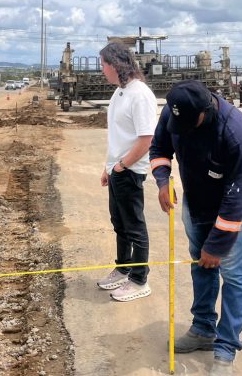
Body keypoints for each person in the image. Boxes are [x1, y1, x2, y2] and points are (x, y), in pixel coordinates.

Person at [149, 80, 242, 375]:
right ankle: (203, 329)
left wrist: (217, 244)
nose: (183, 128)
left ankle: (225, 349)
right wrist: (163, 180)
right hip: (197, 200)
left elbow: (237, 198)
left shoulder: (238, 133)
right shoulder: (176, 112)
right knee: (200, 265)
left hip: (235, 207)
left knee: (234, 274)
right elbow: (159, 147)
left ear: (205, 110)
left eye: (190, 124)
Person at [96, 41, 158, 302]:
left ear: (116, 64)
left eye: (103, 65)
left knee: (134, 226)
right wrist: (109, 167)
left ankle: (139, 280)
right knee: (119, 222)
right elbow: (120, 136)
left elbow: (147, 139)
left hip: (130, 171)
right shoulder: (120, 92)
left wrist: (122, 166)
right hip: (117, 169)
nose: (102, 71)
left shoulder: (139, 94)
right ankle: (123, 268)